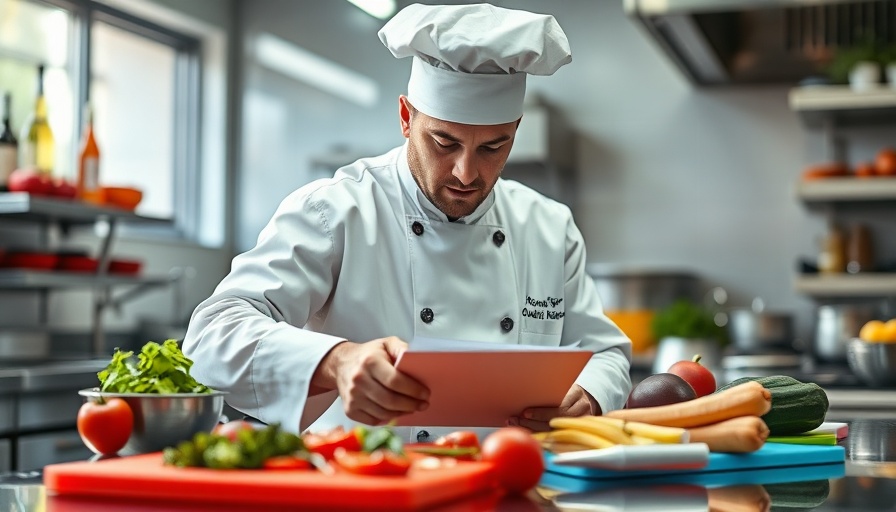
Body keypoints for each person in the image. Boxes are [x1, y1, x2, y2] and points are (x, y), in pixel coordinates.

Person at [183, 3, 632, 441]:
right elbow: (212, 334)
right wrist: (337, 361)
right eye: (444, 142)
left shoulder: (548, 227)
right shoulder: (337, 210)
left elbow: (606, 352)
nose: (466, 173)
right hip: (366, 485)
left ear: (514, 131)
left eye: (493, 148)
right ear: (405, 118)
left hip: (507, 482)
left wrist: (588, 395)